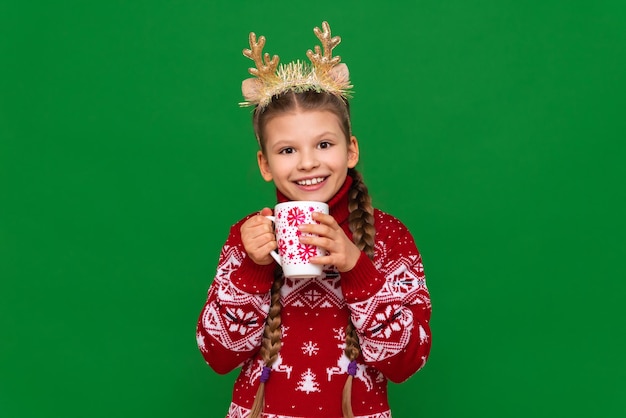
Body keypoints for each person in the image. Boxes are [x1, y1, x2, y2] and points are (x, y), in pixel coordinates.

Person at [196, 21, 432, 418]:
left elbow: (408, 361)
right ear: (265, 164)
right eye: (287, 150)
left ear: (350, 150)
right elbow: (217, 355)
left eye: (324, 144)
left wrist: (357, 267)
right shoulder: (246, 237)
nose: (307, 162)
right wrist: (253, 270)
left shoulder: (390, 237)